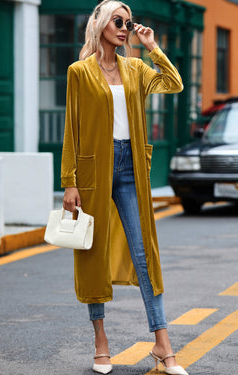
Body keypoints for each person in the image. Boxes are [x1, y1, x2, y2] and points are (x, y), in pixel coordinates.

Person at [61, 1, 187, 374]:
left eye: (128, 23)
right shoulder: (79, 72)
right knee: (92, 255)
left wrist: (152, 47)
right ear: (100, 24)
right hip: (93, 170)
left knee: (144, 254)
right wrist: (69, 182)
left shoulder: (134, 68)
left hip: (131, 168)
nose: (124, 27)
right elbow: (72, 128)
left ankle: (162, 344)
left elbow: (174, 83)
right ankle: (101, 342)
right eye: (118, 21)